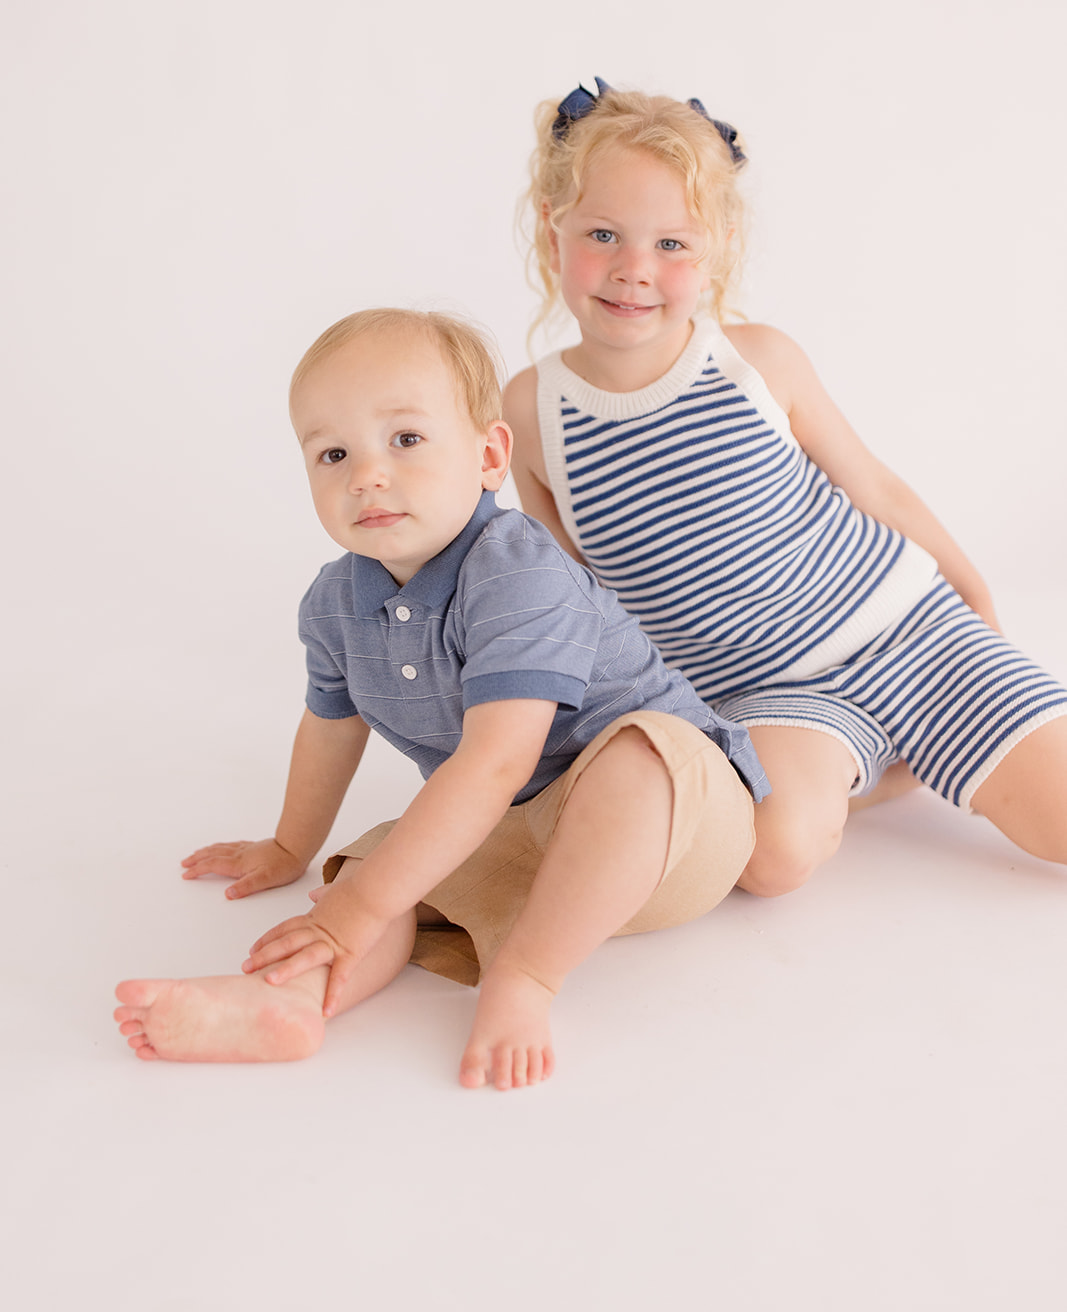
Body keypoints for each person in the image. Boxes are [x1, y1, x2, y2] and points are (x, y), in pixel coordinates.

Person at [114, 308, 767, 1089]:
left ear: (489, 456)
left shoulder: (516, 571)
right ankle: (291, 1003)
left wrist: (356, 907)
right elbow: (329, 729)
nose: (366, 475)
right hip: (522, 836)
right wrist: (293, 848)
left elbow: (494, 763)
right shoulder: (333, 604)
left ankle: (525, 976)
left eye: (406, 440)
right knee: (371, 871)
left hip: (674, 832)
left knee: (635, 757)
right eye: (332, 453)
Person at [504, 79, 1067, 898]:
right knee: (766, 861)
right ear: (552, 230)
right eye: (602, 234)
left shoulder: (755, 361)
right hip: (765, 696)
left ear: (718, 245)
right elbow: (572, 602)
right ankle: (875, 767)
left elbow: (875, 485)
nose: (634, 270)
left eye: (671, 244)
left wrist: (970, 591)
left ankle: (930, 744)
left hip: (906, 626)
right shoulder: (530, 413)